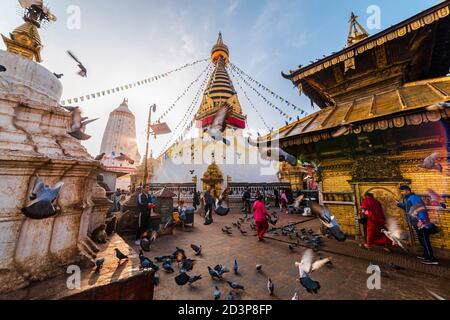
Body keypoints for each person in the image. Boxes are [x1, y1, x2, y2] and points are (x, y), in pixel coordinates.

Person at [397, 185, 438, 265]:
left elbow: (420, 209)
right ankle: (426, 255)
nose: (401, 193)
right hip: (415, 222)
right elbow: (407, 207)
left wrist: (422, 220)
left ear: (407, 190)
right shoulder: (408, 198)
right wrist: (399, 204)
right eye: (401, 191)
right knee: (421, 239)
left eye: (402, 191)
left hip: (420, 223)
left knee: (425, 240)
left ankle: (430, 258)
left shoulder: (413, 198)